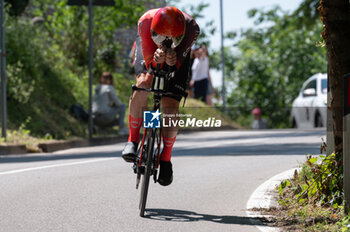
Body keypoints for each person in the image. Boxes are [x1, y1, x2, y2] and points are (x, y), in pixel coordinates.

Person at [121, 6, 200, 186]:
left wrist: (174, 60)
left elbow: (178, 63)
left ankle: (166, 158)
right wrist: (155, 60)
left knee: (170, 105)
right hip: (148, 45)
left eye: (173, 38)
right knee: (143, 84)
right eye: (161, 37)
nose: (165, 41)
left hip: (179, 51)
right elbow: (149, 63)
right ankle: (132, 140)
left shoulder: (192, 28)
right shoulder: (145, 22)